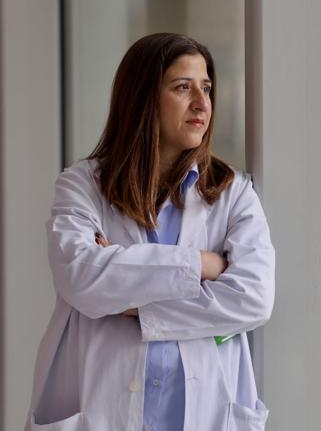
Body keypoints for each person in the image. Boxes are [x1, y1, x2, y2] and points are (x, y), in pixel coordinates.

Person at [24, 33, 274, 430]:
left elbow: (253, 298)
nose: (201, 103)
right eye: (182, 87)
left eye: (206, 88)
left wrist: (134, 304)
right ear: (142, 98)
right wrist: (202, 265)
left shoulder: (232, 193)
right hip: (102, 410)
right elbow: (83, 276)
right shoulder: (82, 185)